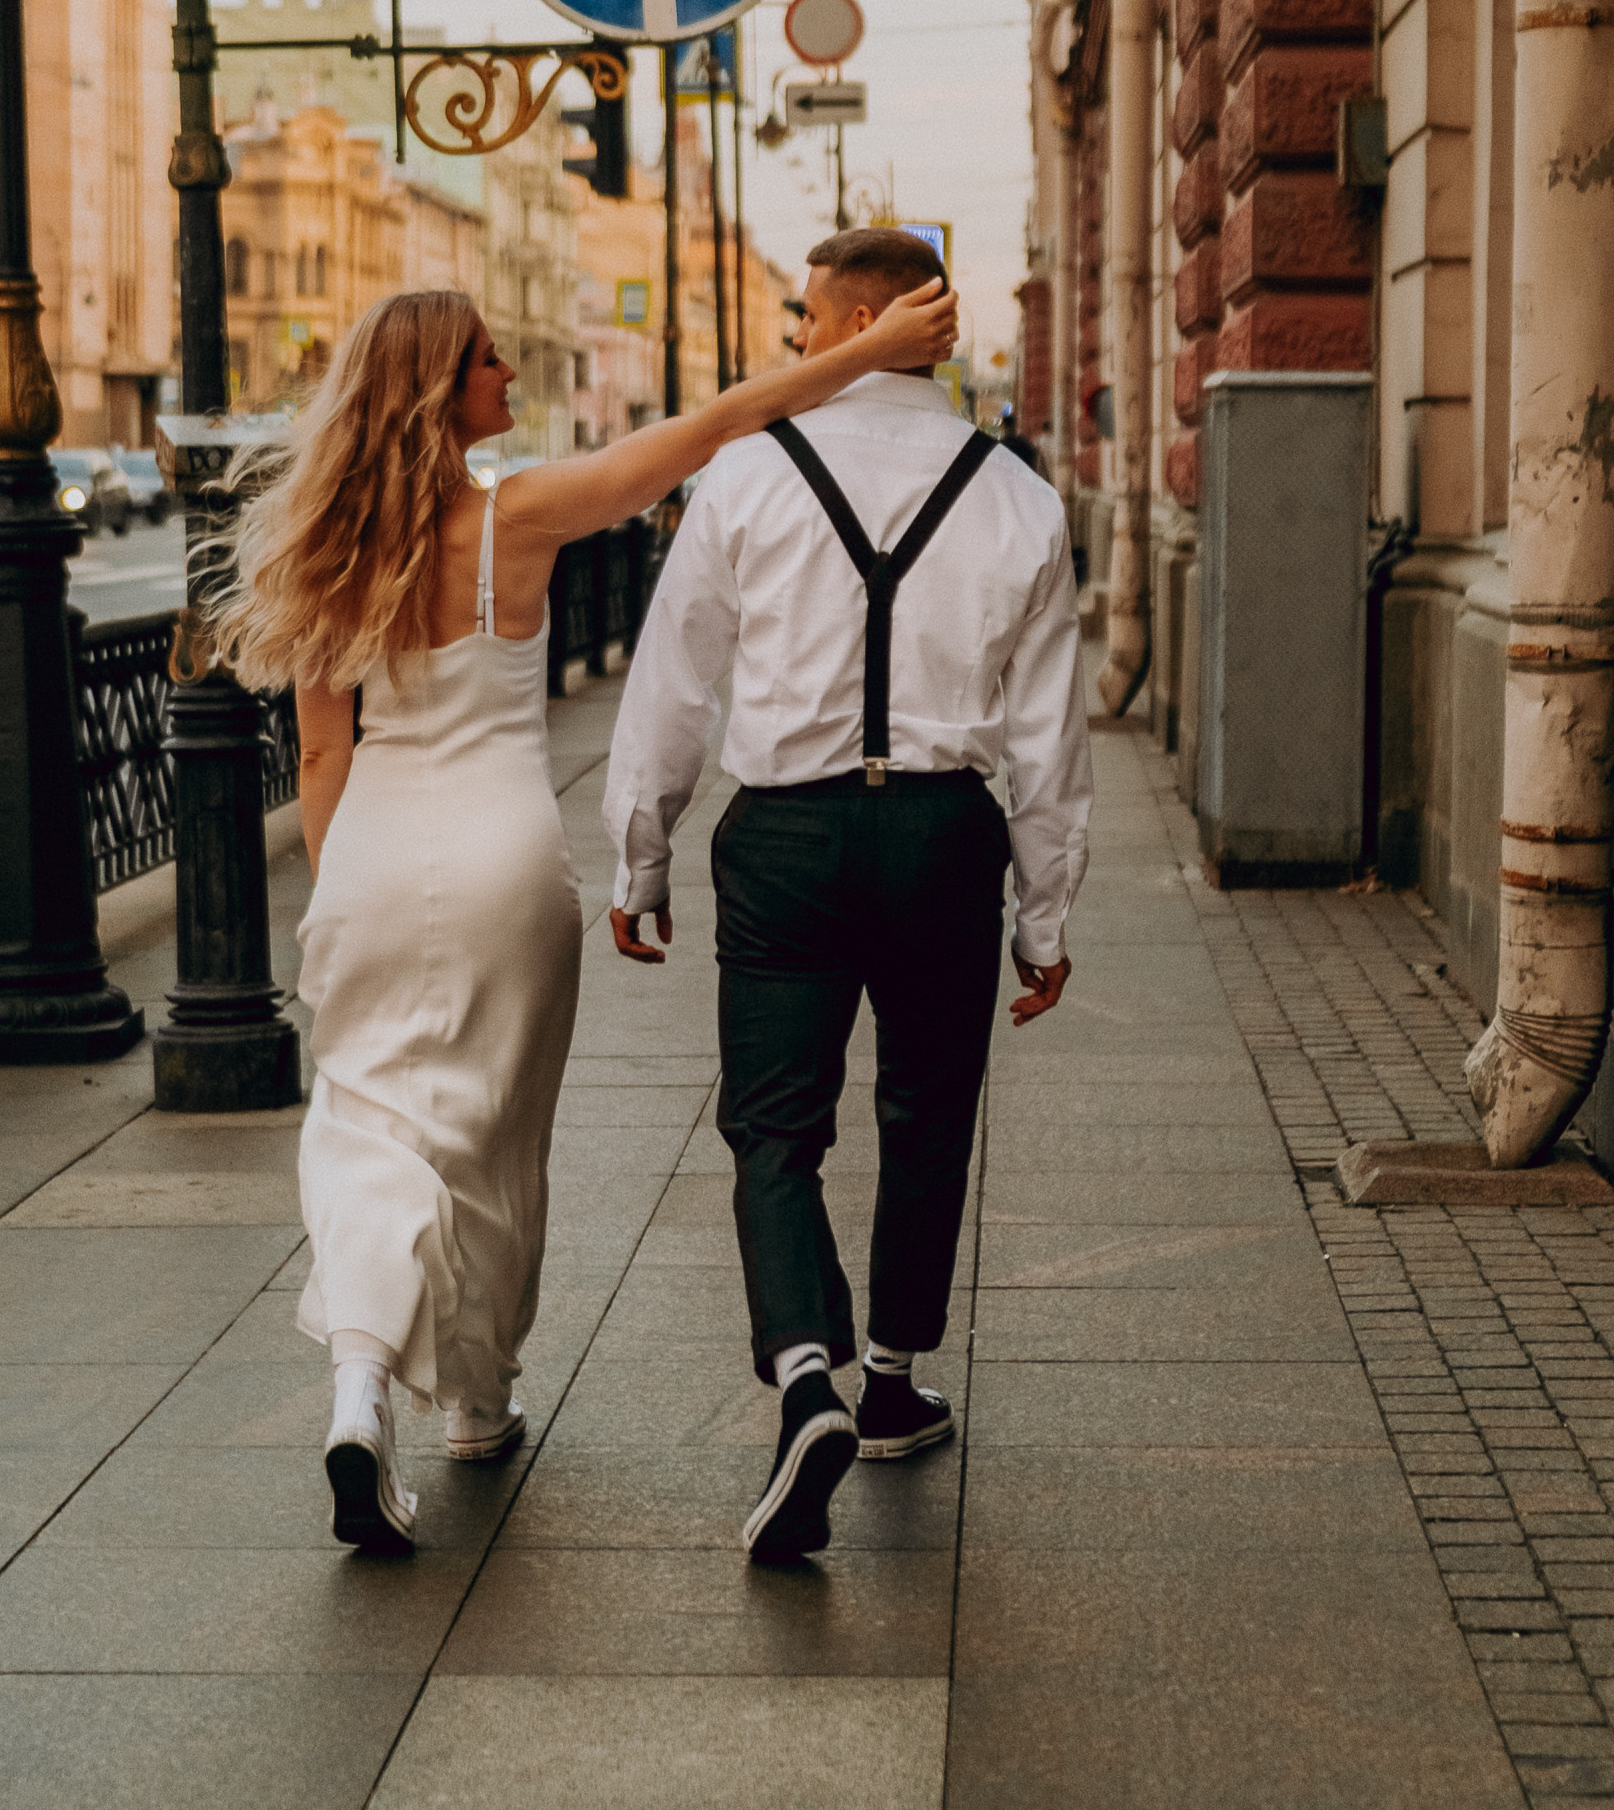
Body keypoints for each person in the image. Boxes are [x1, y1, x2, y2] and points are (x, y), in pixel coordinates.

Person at [216, 277, 959, 1557]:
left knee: (367, 1128)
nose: (510, 376)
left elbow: (321, 762)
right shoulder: (521, 515)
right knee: (493, 1142)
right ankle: (475, 1404)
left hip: (373, 862)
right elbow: (718, 423)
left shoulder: (330, 545)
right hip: (508, 864)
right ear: (444, 393)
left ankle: (357, 1392)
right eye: (491, 363)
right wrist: (874, 352)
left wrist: (337, 894)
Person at [605, 225, 1093, 1564]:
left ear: (859, 316)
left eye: (807, 321)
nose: (799, 343)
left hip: (786, 839)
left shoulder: (748, 476)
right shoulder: (1017, 496)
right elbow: (1049, 734)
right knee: (928, 1112)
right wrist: (1045, 916)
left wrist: (638, 855)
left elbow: (674, 682)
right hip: (946, 835)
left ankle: (800, 1370)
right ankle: (887, 1378)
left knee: (773, 1129)